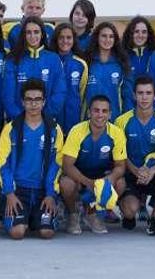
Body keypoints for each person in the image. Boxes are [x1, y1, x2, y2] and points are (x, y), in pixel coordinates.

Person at [0, 79, 64, 240]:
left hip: (42, 192)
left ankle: (39, 218)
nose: (33, 104)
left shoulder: (54, 129)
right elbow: (3, 165)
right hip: (19, 192)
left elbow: (57, 164)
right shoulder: (11, 129)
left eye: (37, 99)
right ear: (22, 102)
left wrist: (50, 194)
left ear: (44, 101)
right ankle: (26, 218)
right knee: (17, 232)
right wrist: (10, 194)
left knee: (47, 233)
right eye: (29, 99)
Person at [114, 76, 155, 236]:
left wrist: (152, 171)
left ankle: (154, 220)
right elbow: (119, 156)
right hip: (131, 173)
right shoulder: (122, 121)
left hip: (153, 173)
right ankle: (127, 212)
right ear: (134, 95)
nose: (144, 97)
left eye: (148, 93)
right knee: (130, 211)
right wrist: (136, 172)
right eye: (140, 93)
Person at [60, 95, 126, 235]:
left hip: (102, 176)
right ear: (89, 113)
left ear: (110, 114)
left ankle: (91, 214)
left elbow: (121, 165)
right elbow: (67, 165)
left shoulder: (117, 133)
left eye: (104, 111)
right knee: (66, 183)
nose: (100, 115)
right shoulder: (77, 131)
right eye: (96, 110)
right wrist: (89, 183)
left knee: (120, 183)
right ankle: (73, 214)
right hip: (79, 176)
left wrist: (110, 179)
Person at [2, 17, 66, 121]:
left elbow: (59, 92)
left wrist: (44, 117)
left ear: (42, 34)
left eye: (36, 32)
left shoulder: (53, 59)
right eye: (28, 32)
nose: (32, 36)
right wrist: (20, 119)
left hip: (46, 121)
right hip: (18, 121)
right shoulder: (12, 59)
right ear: (23, 35)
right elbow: (8, 95)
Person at [85, 22, 134, 120]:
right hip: (89, 120)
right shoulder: (87, 62)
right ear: (97, 38)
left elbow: (127, 95)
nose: (107, 40)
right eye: (104, 36)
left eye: (111, 37)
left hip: (114, 119)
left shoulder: (121, 64)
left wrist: (126, 119)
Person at [50, 23, 88, 131]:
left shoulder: (80, 64)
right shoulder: (49, 60)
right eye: (61, 37)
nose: (65, 41)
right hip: (52, 119)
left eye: (68, 37)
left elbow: (82, 94)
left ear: (74, 40)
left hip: (73, 120)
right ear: (56, 39)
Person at [122, 16, 155, 80]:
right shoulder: (122, 56)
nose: (140, 35)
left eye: (144, 32)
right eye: (136, 31)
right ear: (130, 33)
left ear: (148, 34)